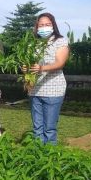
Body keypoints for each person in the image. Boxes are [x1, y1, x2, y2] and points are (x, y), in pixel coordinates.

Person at [25, 12, 69, 145]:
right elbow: (30, 65)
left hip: (53, 90)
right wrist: (26, 70)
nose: (44, 27)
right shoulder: (33, 44)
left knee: (49, 128)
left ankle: (50, 158)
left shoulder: (60, 41)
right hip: (35, 90)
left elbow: (60, 63)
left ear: (53, 25)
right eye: (41, 25)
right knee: (37, 128)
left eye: (47, 24)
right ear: (37, 27)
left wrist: (41, 68)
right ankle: (38, 155)